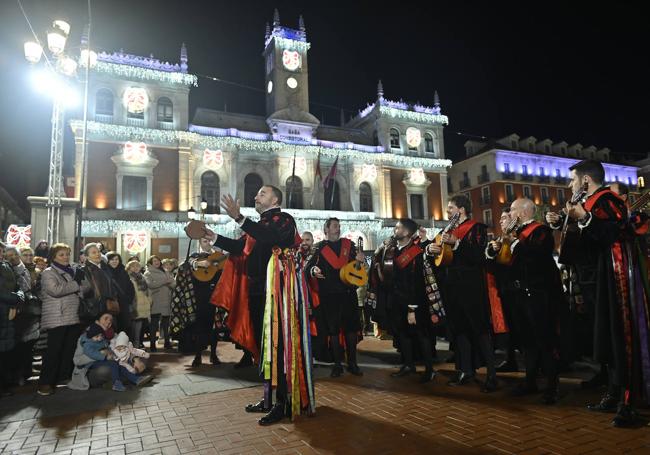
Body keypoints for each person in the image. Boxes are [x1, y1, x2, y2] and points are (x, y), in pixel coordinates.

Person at [548, 159, 650, 427]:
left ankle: (628, 400)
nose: (569, 185)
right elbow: (586, 238)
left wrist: (585, 217)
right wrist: (563, 221)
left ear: (585, 180)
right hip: (595, 277)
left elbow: (615, 233)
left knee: (620, 336)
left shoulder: (608, 200)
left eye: (572, 179)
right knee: (607, 336)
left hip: (613, 279)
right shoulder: (590, 203)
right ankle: (615, 392)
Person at [211, 186, 313, 425]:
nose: (256, 196)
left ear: (275, 199)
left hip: (277, 292)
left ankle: (283, 402)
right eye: (256, 193)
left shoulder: (283, 220)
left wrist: (239, 218)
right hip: (257, 291)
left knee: (277, 345)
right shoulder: (258, 225)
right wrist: (213, 237)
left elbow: (271, 238)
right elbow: (240, 248)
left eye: (262, 193)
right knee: (264, 345)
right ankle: (268, 397)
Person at [488, 198, 562, 404]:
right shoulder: (511, 236)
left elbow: (537, 258)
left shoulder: (541, 232)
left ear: (522, 212)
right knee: (527, 341)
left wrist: (514, 242)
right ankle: (530, 381)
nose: (508, 215)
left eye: (511, 210)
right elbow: (500, 266)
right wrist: (495, 251)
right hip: (517, 294)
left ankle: (552, 386)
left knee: (544, 340)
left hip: (537, 295)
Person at [426, 194, 497, 392]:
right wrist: (430, 250)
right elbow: (437, 258)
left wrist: (457, 244)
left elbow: (479, 256)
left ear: (462, 209)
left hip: (472, 288)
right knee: (460, 332)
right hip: (452, 288)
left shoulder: (477, 229)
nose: (447, 211)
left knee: (480, 330)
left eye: (450, 208)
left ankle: (491, 374)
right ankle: (466, 370)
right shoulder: (446, 230)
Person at [382, 219, 443, 383]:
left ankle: (429, 369)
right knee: (402, 334)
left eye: (398, 228)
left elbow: (415, 283)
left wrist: (412, 308)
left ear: (407, 232)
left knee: (421, 334)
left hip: (414, 301)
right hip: (397, 300)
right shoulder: (393, 250)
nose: (395, 230)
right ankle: (408, 365)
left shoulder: (416, 253)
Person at [306, 218, 365, 378]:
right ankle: (337, 364)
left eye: (338, 226)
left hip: (348, 293)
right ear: (326, 229)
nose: (338, 229)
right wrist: (314, 270)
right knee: (333, 330)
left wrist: (361, 260)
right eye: (334, 226)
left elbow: (358, 268)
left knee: (351, 329)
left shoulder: (349, 245)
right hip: (329, 295)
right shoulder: (319, 248)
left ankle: (353, 363)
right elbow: (308, 268)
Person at [37, 243, 85, 396]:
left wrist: (80, 284)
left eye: (67, 254)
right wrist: (76, 284)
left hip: (73, 315)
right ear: (53, 257)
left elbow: (85, 288)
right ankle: (45, 383)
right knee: (53, 351)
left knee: (68, 349)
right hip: (57, 316)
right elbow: (55, 290)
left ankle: (62, 377)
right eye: (61, 255)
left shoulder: (72, 271)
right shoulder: (48, 272)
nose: (65, 257)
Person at [3, 247, 41, 385]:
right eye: (9, 255)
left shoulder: (27, 270)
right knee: (18, 345)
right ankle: (18, 375)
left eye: (14, 254)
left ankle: (24, 372)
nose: (12, 257)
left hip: (30, 311)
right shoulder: (8, 270)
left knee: (27, 344)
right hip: (17, 312)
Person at [1, 242, 25, 397]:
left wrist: (19, 296)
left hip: (7, 312)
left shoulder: (6, 266)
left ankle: (4, 384)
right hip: (5, 308)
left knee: (5, 351)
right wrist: (17, 298)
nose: (2, 253)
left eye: (2, 250)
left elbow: (16, 286)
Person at [80, 243, 116, 325]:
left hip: (109, 306)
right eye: (93, 252)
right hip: (94, 308)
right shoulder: (84, 270)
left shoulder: (106, 268)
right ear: (87, 256)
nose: (97, 254)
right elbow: (84, 290)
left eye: (98, 252)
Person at [145, 256, 174, 352]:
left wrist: (167, 283)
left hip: (167, 299)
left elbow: (173, 283)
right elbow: (150, 284)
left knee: (166, 324)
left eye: (158, 260)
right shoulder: (148, 273)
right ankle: (152, 344)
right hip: (155, 301)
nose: (157, 262)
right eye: (154, 261)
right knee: (154, 325)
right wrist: (164, 282)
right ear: (150, 263)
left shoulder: (165, 271)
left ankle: (167, 342)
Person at [104, 252, 135, 337]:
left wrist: (128, 299)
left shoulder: (123, 271)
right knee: (111, 326)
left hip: (123, 304)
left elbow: (130, 286)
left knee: (124, 327)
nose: (114, 261)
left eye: (116, 259)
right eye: (112, 259)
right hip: (111, 304)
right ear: (108, 261)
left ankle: (123, 347)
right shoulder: (105, 272)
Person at [126, 260, 151, 349]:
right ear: (129, 268)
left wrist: (149, 301)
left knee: (139, 328)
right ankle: (132, 346)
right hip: (134, 305)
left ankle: (137, 345)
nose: (136, 268)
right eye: (133, 266)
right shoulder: (128, 278)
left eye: (137, 266)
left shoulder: (142, 277)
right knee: (132, 329)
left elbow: (147, 292)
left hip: (143, 306)